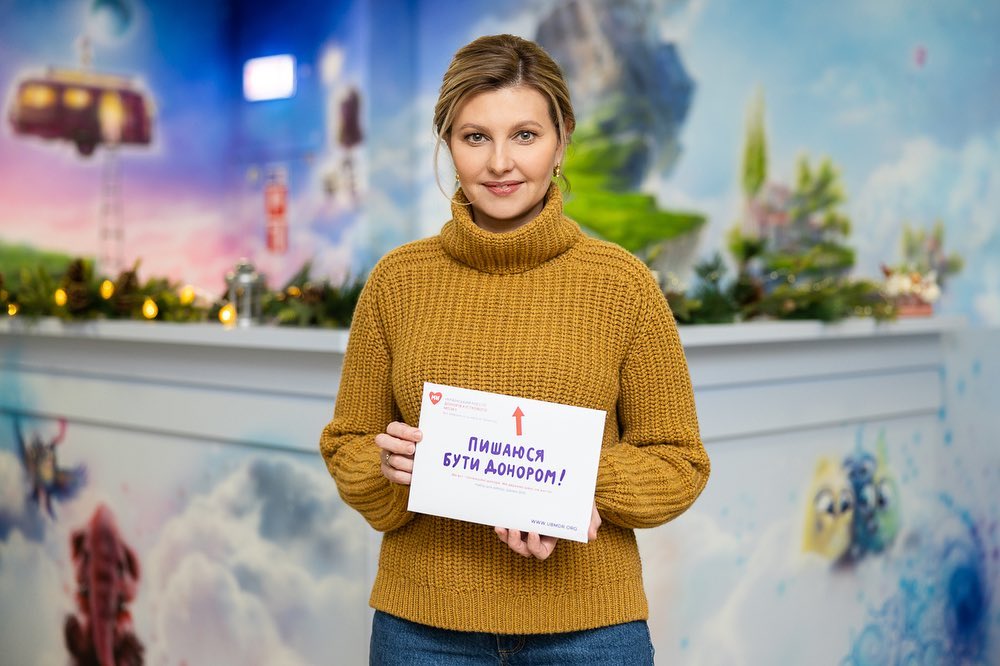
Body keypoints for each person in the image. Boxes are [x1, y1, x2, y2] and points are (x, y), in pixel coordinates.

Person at [319, 33, 710, 665]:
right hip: (422, 630)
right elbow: (348, 444)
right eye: (475, 137)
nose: (500, 162)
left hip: (591, 632)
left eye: (525, 135)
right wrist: (386, 469)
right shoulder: (397, 282)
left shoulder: (622, 285)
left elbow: (680, 461)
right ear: (448, 143)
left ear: (562, 140)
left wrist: (574, 485)